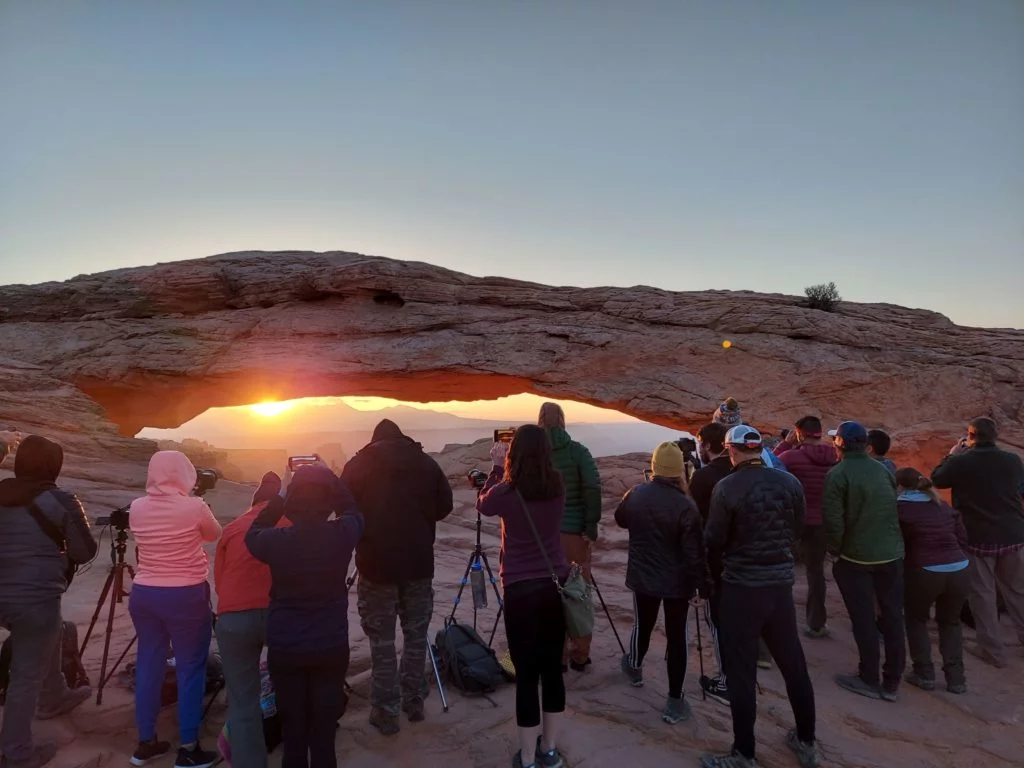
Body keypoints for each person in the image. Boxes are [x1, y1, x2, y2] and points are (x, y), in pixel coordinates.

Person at [702, 425, 817, 768]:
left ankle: (744, 754)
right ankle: (807, 742)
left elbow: (714, 539)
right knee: (793, 665)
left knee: (740, 672)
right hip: (779, 587)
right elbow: (797, 528)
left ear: (732, 450)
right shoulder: (789, 483)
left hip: (741, 588)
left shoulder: (726, 487)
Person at [246, 465, 363, 768]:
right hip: (329, 646)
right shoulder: (341, 534)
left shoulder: (277, 541)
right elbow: (352, 510)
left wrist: (283, 494)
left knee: (293, 731)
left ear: (293, 502)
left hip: (286, 648)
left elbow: (255, 531)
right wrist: (331, 479)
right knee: (323, 733)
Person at [341, 419, 453, 735]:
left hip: (376, 567)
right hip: (418, 565)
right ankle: (414, 701)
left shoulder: (358, 464)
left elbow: (343, 509)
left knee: (382, 640)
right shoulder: (426, 463)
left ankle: (386, 710)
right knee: (416, 635)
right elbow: (445, 506)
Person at [0, 435, 96, 768]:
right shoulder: (61, 500)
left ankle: (55, 696)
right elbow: (85, 551)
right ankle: (16, 755)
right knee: (25, 678)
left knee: (50, 632)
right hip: (34, 597)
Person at [478, 425, 568, 768]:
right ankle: (550, 751)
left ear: (515, 453)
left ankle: (528, 759)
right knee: (552, 672)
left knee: (527, 676)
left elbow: (484, 504)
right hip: (552, 586)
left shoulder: (507, 490)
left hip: (519, 589)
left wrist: (498, 465)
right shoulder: (557, 485)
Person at [128, 451, 222, 768]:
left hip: (145, 594)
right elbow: (214, 534)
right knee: (190, 668)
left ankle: (145, 744)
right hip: (185, 595)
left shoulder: (137, 507)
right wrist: (193, 501)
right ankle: (188, 747)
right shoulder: (195, 506)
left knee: (149, 665)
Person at [614, 442, 706, 724]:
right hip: (677, 582)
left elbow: (621, 520)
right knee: (677, 637)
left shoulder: (637, 494)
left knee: (644, 623)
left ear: (654, 467)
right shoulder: (686, 505)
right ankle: (675, 701)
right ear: (680, 469)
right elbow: (694, 552)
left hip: (644, 576)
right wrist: (698, 586)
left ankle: (635, 666)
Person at [931, 417, 1024, 669]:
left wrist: (952, 455)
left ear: (970, 436)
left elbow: (937, 479)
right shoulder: (1013, 461)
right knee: (1017, 591)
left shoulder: (961, 462)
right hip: (1013, 535)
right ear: (995, 435)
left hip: (978, 537)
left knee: (983, 594)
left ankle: (993, 651)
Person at [823, 421, 905, 702]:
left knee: (864, 619)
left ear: (841, 443)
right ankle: (892, 680)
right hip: (891, 553)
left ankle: (869, 677)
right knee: (893, 616)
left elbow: (833, 521)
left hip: (856, 556)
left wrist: (837, 550)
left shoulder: (838, 474)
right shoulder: (883, 470)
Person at [214, 473, 289, 768]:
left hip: (234, 619)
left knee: (243, 703)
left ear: (255, 501)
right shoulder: (290, 524)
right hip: (280, 616)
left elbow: (220, 585)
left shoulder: (232, 528)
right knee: (294, 688)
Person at [537, 402, 601, 672]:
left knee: (547, 596)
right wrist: (591, 526)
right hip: (575, 534)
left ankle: (555, 656)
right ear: (563, 421)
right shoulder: (578, 452)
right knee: (578, 595)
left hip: (542, 538)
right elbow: (592, 487)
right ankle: (579, 656)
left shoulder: (534, 456)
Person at [895, 468, 971, 694]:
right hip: (958, 568)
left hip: (925, 570)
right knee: (951, 622)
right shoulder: (941, 505)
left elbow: (899, 543)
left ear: (898, 486)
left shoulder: (900, 509)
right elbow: (963, 539)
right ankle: (956, 680)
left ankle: (924, 673)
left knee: (916, 619)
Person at [774, 416, 838, 638]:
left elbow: (767, 468)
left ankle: (777, 624)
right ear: (820, 433)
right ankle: (816, 623)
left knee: (779, 570)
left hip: (793, 521)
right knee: (816, 573)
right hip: (821, 522)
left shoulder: (791, 456)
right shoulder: (835, 456)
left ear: (799, 433)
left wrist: (785, 444)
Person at [687, 422, 733, 705]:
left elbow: (691, 521)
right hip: (744, 558)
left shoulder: (703, 478)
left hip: (714, 560)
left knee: (718, 621)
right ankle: (740, 672)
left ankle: (727, 682)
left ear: (705, 445)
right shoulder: (740, 470)